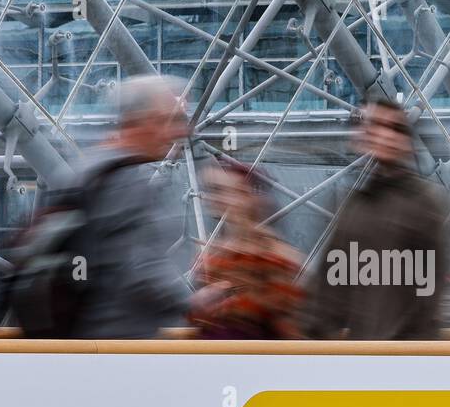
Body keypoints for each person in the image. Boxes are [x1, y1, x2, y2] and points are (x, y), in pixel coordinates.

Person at [308, 99, 450, 339]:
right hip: (376, 352)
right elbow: (330, 288)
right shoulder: (356, 204)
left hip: (400, 355)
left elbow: (429, 290)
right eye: (375, 126)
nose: (383, 135)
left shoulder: (423, 204)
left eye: (394, 128)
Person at [70, 75, 192, 339]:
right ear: (142, 121)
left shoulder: (94, 168)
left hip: (92, 336)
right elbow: (138, 266)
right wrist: (194, 302)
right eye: (167, 120)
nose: (177, 132)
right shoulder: (122, 179)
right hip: (118, 341)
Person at [189, 161, 303, 339]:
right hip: (217, 351)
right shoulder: (213, 252)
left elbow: (283, 320)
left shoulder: (272, 254)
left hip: (251, 354)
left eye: (222, 191)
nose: (215, 198)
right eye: (214, 190)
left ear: (247, 196)